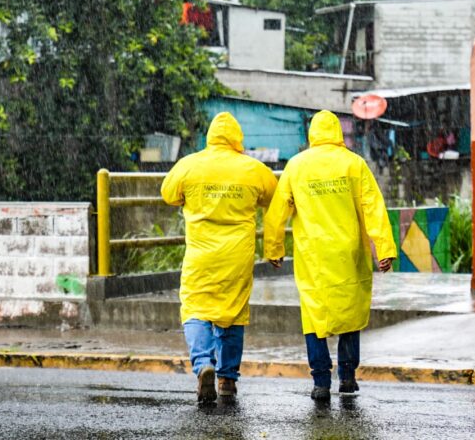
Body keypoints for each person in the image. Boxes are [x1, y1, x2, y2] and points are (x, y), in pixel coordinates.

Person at [263, 110, 396, 401]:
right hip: (349, 254)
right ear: (338, 133)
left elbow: (276, 214)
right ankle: (347, 377)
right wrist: (384, 249)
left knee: (314, 317)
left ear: (311, 133)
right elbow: (374, 206)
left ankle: (321, 382)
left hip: (313, 257)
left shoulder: (297, 166)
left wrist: (274, 250)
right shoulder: (354, 164)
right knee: (349, 315)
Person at [161, 112, 277, 403]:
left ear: (210, 136)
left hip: (201, 255)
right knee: (233, 313)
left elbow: (168, 194)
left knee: (195, 309)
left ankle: (203, 365)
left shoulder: (189, 165)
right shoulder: (253, 169)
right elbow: (272, 196)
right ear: (238, 139)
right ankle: (227, 379)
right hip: (237, 256)